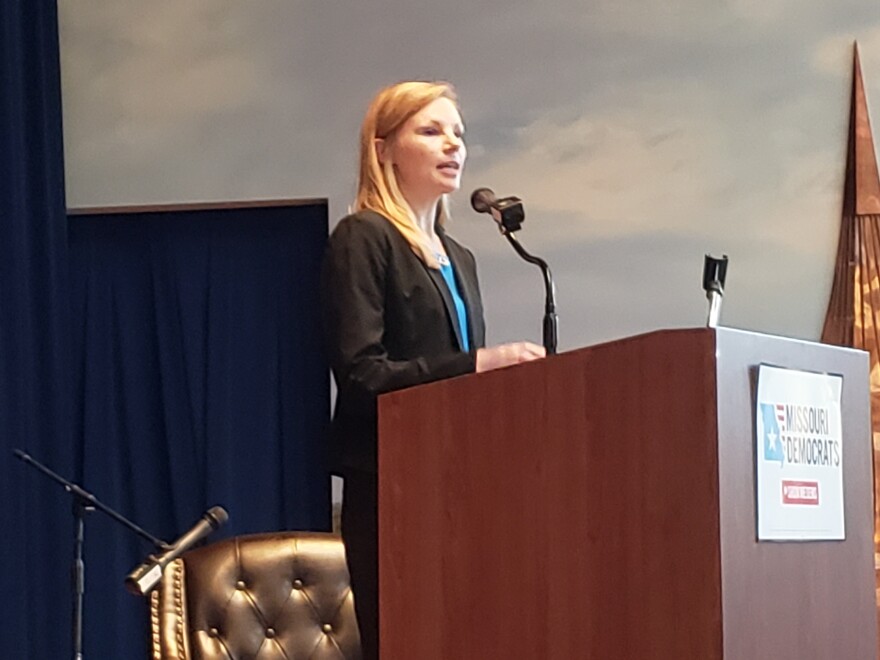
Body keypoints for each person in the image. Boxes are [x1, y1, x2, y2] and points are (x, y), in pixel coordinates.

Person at [320, 80, 545, 659]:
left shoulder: (459, 257)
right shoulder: (362, 238)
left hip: (463, 484)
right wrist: (479, 364)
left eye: (458, 134)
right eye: (431, 130)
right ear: (384, 149)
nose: (454, 145)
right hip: (393, 487)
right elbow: (362, 374)